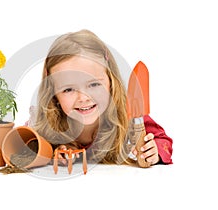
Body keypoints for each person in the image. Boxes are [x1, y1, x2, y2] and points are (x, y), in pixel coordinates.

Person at [31, 29, 173, 166]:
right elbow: (29, 142)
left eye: (93, 84)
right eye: (68, 89)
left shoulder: (128, 116)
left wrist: (153, 151)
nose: (83, 98)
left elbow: (162, 140)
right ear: (53, 93)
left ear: (111, 81)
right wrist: (54, 151)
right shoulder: (48, 122)